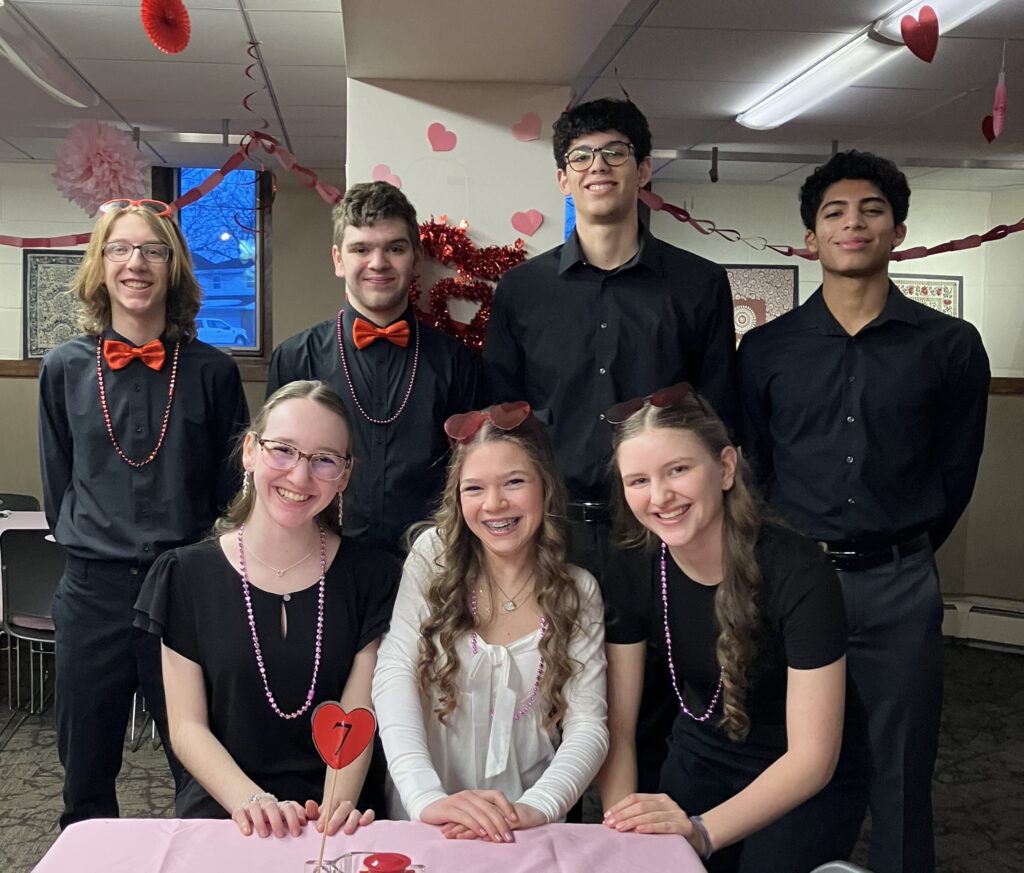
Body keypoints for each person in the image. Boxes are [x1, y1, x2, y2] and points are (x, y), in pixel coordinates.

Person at [737, 152, 990, 873]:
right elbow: (753, 470)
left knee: (903, 766)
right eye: (835, 213)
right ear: (811, 238)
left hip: (900, 580)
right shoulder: (766, 349)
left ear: (899, 230)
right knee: (799, 757)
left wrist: (899, 545)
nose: (854, 223)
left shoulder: (948, 347)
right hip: (794, 582)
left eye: (872, 210)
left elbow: (955, 470)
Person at [483, 98, 738, 790]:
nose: (599, 168)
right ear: (563, 178)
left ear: (644, 169)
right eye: (582, 158)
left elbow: (719, 420)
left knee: (659, 707)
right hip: (552, 533)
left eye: (615, 153)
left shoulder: (699, 285)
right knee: (544, 711)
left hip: (659, 535)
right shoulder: (521, 291)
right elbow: (501, 430)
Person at [38, 197, 248, 829]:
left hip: (183, 593)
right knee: (85, 774)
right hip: (91, 592)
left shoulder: (213, 372)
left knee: (203, 772)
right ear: (101, 265)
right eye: (121, 249)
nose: (137, 264)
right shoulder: (63, 368)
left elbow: (230, 495)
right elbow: (57, 486)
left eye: (153, 250)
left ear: (174, 267)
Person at [598, 383, 867, 873]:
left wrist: (701, 834)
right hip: (702, 750)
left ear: (724, 468)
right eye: (637, 481)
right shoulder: (633, 566)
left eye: (678, 470)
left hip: (800, 774)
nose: (660, 496)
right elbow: (618, 727)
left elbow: (813, 757)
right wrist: (626, 826)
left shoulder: (797, 569)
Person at [134, 381, 399, 838]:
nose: (299, 477)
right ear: (250, 452)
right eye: (283, 451)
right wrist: (253, 803)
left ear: (345, 474)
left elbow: (358, 717)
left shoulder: (373, 576)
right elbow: (187, 726)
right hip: (227, 811)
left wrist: (332, 816)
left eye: (323, 459)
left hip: (339, 816)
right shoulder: (184, 575)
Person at [372, 403, 608, 841]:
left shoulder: (578, 592)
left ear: (546, 489)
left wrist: (536, 808)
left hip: (528, 829)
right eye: (474, 488)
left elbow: (588, 725)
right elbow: (394, 672)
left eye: (514, 482)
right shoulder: (433, 557)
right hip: (427, 820)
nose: (494, 504)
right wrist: (424, 797)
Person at [267, 181, 481, 554]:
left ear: (416, 258)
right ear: (338, 260)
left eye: (394, 248)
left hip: (430, 565)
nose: (378, 263)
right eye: (360, 249)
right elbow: (275, 469)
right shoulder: (295, 358)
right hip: (316, 558)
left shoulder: (457, 363)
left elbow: (473, 474)